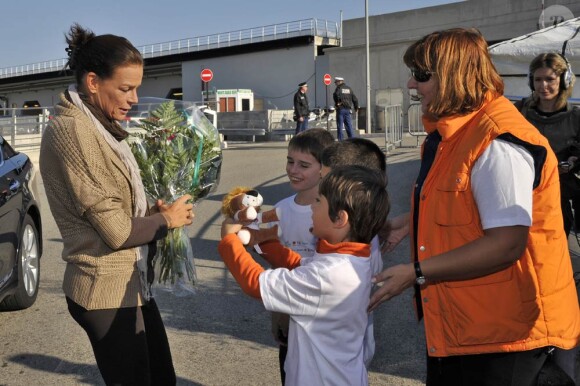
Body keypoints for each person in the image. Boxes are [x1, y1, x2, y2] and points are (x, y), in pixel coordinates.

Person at [368, 28, 580, 385]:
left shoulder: (498, 142)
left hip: (509, 339)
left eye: (422, 76)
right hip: (475, 328)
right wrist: (410, 221)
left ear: (454, 76)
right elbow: (464, 204)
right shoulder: (455, 133)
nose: (410, 85)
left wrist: (415, 273)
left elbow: (505, 244)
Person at [39, 24, 194, 385]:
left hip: (130, 283)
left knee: (161, 378)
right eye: (125, 88)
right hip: (104, 291)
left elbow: (118, 210)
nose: (134, 98)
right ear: (93, 82)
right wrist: (166, 221)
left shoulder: (99, 123)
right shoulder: (74, 130)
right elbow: (116, 231)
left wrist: (157, 215)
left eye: (136, 88)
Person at [218, 165, 390, 386]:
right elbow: (298, 264)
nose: (311, 208)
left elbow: (255, 283)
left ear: (340, 218)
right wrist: (261, 242)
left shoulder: (326, 275)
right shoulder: (350, 261)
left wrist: (229, 240)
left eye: (317, 202)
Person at [260, 128, 334, 385]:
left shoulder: (335, 212)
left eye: (304, 165)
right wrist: (278, 313)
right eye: (290, 161)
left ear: (324, 168)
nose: (293, 170)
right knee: (291, 373)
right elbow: (274, 264)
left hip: (325, 319)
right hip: (290, 314)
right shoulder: (281, 209)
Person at [320, 137, 388, 367]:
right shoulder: (363, 229)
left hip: (339, 360)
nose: (320, 191)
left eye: (327, 184)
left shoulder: (349, 249)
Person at [515, 52, 580, 237]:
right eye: (538, 79)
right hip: (523, 193)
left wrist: (573, 162)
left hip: (559, 195)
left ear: (564, 80)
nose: (543, 86)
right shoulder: (518, 113)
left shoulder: (576, 119)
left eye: (550, 79)